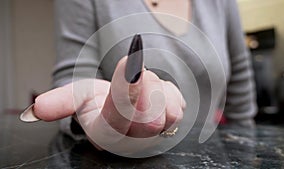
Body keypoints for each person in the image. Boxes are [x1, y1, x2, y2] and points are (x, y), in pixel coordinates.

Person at [32, 0, 257, 152]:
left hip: (212, 156)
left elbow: (240, 78)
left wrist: (246, 149)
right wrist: (89, 110)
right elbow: (75, 75)